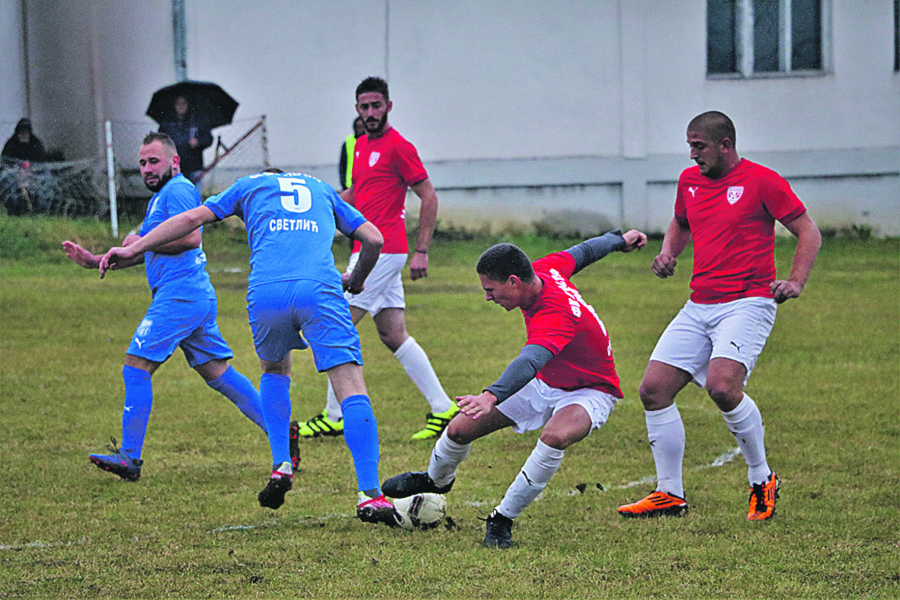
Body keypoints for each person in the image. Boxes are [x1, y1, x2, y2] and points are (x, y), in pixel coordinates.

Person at [98, 168, 401, 525]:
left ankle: (280, 466)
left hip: (267, 291)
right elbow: (375, 239)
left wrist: (134, 246)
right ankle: (369, 494)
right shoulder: (321, 189)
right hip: (320, 289)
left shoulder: (249, 186)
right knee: (350, 386)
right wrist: (356, 280)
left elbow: (193, 219)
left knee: (274, 371)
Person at [382, 229, 649, 548]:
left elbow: (530, 360)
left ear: (514, 281)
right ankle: (435, 481)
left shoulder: (555, 314)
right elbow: (585, 251)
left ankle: (501, 519)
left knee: (555, 436)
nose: (488, 297)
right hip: (545, 381)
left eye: (491, 289)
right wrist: (619, 239)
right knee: (458, 430)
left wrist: (491, 395)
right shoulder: (544, 269)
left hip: (591, 389)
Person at [617, 111, 821, 522]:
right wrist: (668, 253)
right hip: (700, 304)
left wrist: (795, 281)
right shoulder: (689, 182)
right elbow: (680, 222)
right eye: (690, 146)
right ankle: (669, 494)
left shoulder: (762, 180)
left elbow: (807, 231)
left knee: (723, 388)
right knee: (653, 390)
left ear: (724, 145)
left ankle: (762, 478)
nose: (693, 154)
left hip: (748, 302)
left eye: (699, 146)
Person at [62, 132, 271, 483]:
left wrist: (139, 242)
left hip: (180, 295)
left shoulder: (178, 190)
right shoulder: (161, 198)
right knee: (218, 374)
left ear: (174, 162)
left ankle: (130, 457)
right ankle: (283, 433)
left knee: (136, 366)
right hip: (191, 295)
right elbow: (144, 250)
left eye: (153, 161)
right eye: (142, 163)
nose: (146, 168)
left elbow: (191, 237)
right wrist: (95, 260)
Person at [294, 76, 456, 442]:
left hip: (384, 250)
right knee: (393, 334)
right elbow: (357, 192)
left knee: (336, 322)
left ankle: (335, 415)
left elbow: (428, 196)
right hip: (367, 248)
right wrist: (320, 208)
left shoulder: (399, 147)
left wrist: (422, 250)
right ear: (357, 110)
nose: (370, 113)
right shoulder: (361, 146)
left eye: (376, 106)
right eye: (364, 107)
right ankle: (443, 407)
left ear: (388, 106)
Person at [158, 96, 213, 184]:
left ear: (188, 105)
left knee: (193, 195)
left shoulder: (197, 121)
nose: (181, 106)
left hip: (194, 167)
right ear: (174, 105)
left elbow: (208, 139)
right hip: (173, 168)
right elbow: (160, 141)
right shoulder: (167, 123)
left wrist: (198, 142)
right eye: (178, 104)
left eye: (184, 103)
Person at [338, 117, 366, 192]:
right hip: (349, 186)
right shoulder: (348, 143)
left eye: (361, 126)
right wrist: (343, 183)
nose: (359, 129)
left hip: (366, 186)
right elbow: (342, 165)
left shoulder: (371, 141)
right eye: (357, 126)